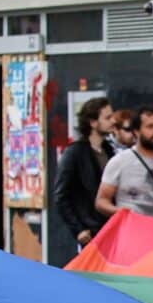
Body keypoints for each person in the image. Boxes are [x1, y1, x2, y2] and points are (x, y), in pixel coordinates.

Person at [52, 96, 115, 248]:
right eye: (107, 117)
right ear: (93, 123)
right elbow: (61, 195)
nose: (113, 121)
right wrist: (78, 229)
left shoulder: (109, 150)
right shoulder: (75, 152)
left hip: (111, 229)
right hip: (91, 231)